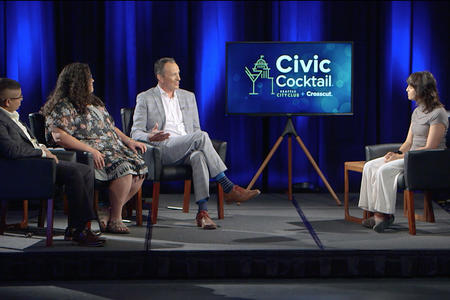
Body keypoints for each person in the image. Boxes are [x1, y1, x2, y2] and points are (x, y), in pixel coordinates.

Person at [131, 57, 261, 230]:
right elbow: (135, 132)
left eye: (179, 74)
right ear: (160, 77)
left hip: (187, 146)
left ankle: (203, 213)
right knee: (201, 136)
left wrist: (193, 140)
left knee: (199, 156)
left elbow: (195, 130)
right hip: (162, 148)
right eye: (174, 75)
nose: (179, 78)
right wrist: (150, 136)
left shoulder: (188, 97)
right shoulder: (146, 98)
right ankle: (228, 188)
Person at [40, 62, 148, 234]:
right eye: (89, 78)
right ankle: (116, 219)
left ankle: (108, 211)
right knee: (124, 169)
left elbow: (110, 127)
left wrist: (128, 140)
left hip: (112, 147)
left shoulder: (94, 102)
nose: (93, 80)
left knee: (140, 168)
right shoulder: (64, 106)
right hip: (90, 150)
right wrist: (91, 150)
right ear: (79, 81)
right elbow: (58, 135)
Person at [0, 78, 105, 246]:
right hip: (25, 169)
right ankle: (80, 231)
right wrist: (41, 152)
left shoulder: (12, 117)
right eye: (19, 97)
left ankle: (76, 227)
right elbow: (11, 151)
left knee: (85, 169)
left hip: (37, 162)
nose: (22, 100)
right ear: (7, 101)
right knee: (75, 172)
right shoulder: (1, 120)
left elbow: (28, 142)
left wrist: (43, 148)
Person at [358, 71, 448, 233]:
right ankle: (374, 211)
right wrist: (396, 153)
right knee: (370, 166)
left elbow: (430, 147)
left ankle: (384, 215)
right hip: (411, 156)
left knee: (384, 170)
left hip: (426, 160)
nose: (407, 89)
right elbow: (408, 142)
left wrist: (400, 157)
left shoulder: (438, 114)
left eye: (410, 87)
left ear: (420, 89)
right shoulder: (417, 112)